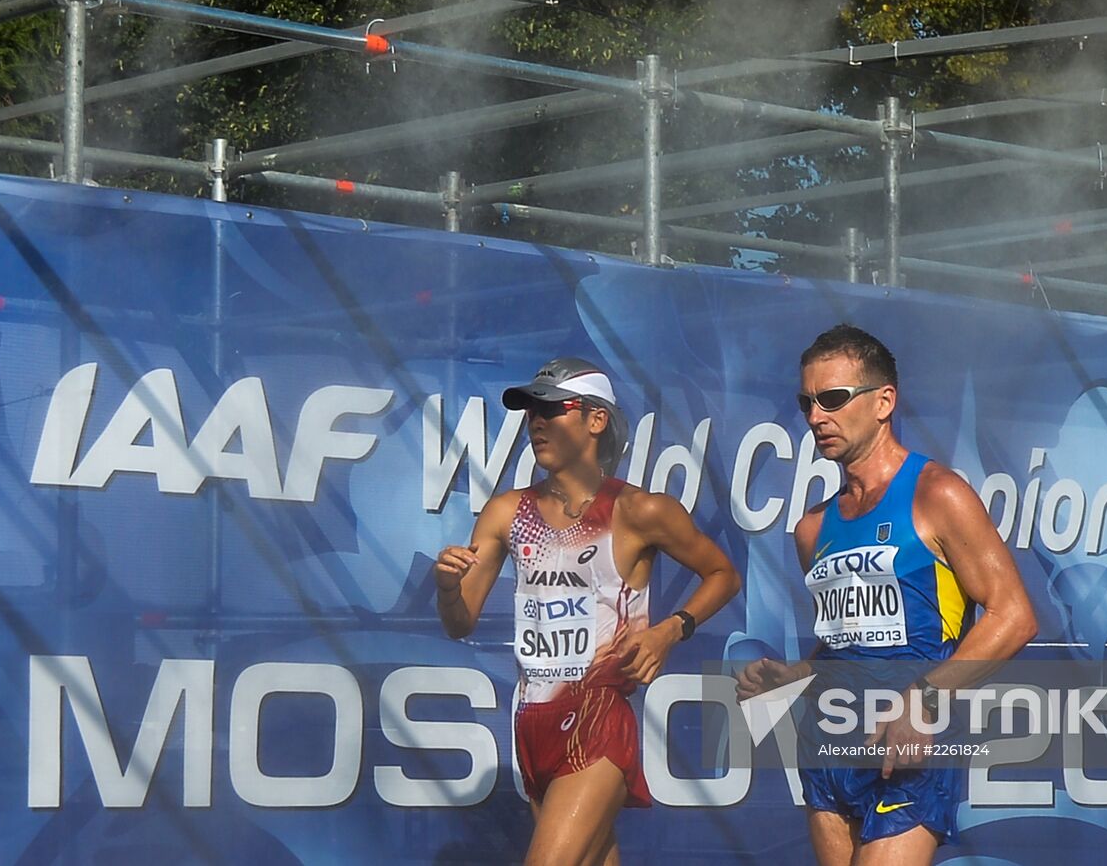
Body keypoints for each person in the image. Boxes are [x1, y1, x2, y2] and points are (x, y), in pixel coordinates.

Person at [738, 324, 1037, 866]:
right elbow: (844, 643)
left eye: (832, 399)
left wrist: (925, 699)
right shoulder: (812, 526)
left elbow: (1014, 616)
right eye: (806, 402)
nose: (814, 417)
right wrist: (794, 675)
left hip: (911, 742)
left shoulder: (937, 493)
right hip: (830, 742)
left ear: (883, 402)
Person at [434, 357, 741, 866]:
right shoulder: (507, 511)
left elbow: (724, 574)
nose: (536, 421)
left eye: (551, 409)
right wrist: (447, 589)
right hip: (531, 717)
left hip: (598, 714)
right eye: (531, 410)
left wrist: (670, 631)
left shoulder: (640, 510)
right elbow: (459, 621)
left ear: (596, 420)